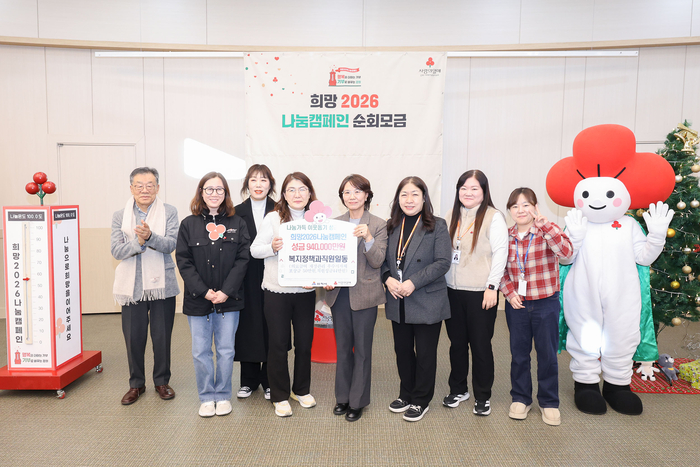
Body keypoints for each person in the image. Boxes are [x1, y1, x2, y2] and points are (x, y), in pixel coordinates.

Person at [176, 172, 250, 417]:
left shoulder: (237, 223)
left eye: (219, 189)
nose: (214, 194)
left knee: (226, 350)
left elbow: (242, 260)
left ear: (226, 193)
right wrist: (204, 291)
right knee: (201, 351)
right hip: (198, 300)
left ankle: (223, 395)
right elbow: (184, 261)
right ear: (201, 192)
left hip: (229, 300)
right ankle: (207, 397)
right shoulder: (188, 224)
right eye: (209, 189)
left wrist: (226, 291)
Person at [499, 188, 573, 426]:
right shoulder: (505, 236)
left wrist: (546, 226)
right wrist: (510, 293)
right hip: (517, 304)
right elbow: (498, 270)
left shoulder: (547, 230)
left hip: (545, 303)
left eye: (526, 205)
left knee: (547, 354)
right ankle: (521, 398)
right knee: (519, 354)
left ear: (535, 207)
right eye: (515, 206)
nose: (520, 210)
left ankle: (549, 401)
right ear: (509, 211)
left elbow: (567, 253)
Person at [383, 176, 451, 422]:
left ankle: (421, 400)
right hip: (397, 298)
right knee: (402, 351)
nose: (409, 200)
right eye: (404, 194)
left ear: (424, 198)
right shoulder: (391, 226)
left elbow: (443, 262)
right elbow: (381, 259)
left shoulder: (437, 225)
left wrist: (413, 282)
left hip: (426, 298)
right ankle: (406, 393)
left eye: (414, 194)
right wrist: (386, 278)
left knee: (424, 353)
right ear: (397, 199)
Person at [250, 172, 318, 417]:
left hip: (306, 292)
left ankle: (301, 390)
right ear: (284, 195)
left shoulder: (318, 221)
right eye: (291, 190)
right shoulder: (273, 218)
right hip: (277, 292)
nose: (297, 194)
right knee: (278, 344)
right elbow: (255, 250)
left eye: (302, 189)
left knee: (304, 344)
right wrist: (272, 247)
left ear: (309, 193)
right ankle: (279, 395)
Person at [111, 167, 180, 405]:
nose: (145, 190)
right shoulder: (120, 216)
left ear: (157, 188)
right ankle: (136, 384)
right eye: (139, 185)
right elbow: (116, 251)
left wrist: (150, 237)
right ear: (131, 188)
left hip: (162, 286)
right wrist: (138, 242)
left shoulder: (169, 211)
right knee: (134, 338)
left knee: (162, 337)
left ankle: (162, 382)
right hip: (131, 288)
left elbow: (170, 244)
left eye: (150, 185)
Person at [443, 170, 507, 416]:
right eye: (463, 188)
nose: (468, 193)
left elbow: (501, 254)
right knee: (457, 344)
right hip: (452, 291)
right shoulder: (451, 215)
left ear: (484, 191)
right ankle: (458, 389)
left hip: (481, 292)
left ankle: (482, 395)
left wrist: (492, 287)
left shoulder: (493, 217)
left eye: (474, 189)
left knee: (480, 345)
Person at [325, 174, 388, 422]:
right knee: (342, 348)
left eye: (357, 191)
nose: (352, 196)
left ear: (367, 195)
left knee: (362, 349)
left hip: (365, 294)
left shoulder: (378, 224)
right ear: (342, 197)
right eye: (347, 192)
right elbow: (327, 259)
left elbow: (378, 261)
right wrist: (325, 278)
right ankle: (342, 397)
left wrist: (368, 238)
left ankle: (358, 400)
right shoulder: (334, 224)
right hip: (339, 293)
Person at [234, 165, 276, 401]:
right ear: (247, 184)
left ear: (271, 184)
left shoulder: (280, 210)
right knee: (248, 325)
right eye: (253, 180)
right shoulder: (235, 212)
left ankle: (269, 380)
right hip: (246, 276)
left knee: (272, 325)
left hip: (274, 273)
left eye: (263, 180)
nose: (258, 184)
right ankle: (248, 380)